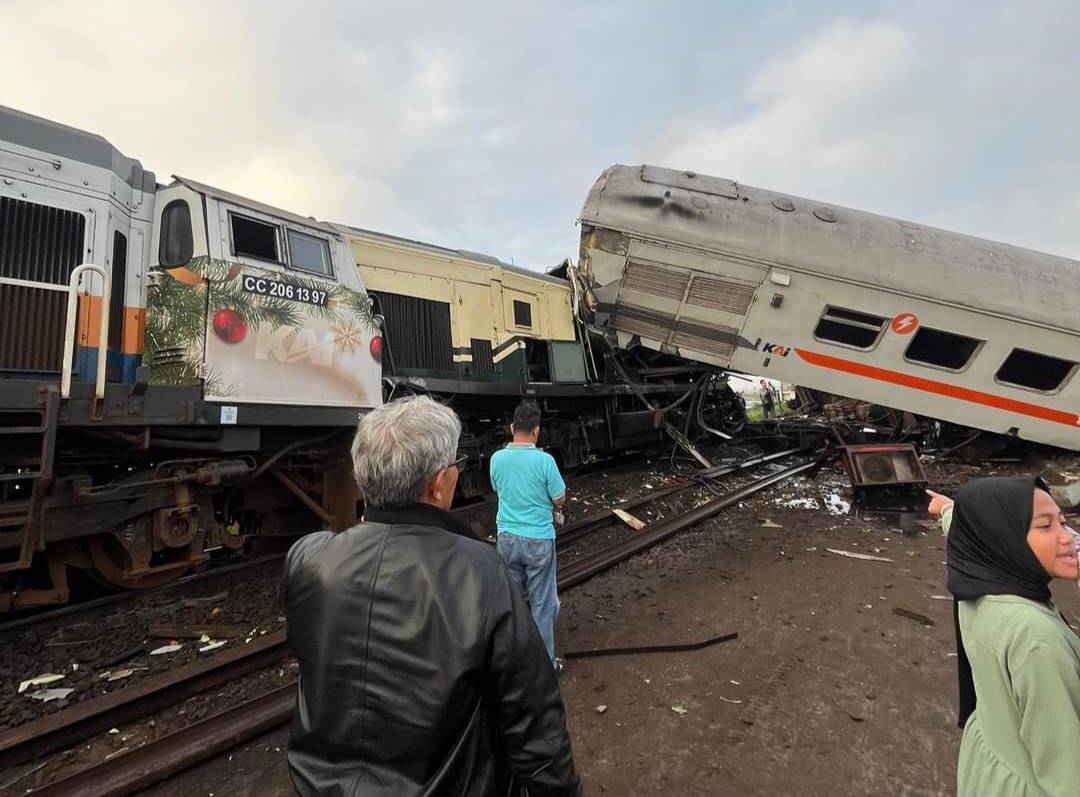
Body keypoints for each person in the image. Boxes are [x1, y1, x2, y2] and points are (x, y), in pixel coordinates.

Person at [282, 395, 582, 797]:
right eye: (457, 466)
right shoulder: (481, 574)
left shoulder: (308, 559)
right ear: (438, 484)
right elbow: (533, 726)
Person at [928, 479, 1080, 797]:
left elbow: (967, 527)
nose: (1068, 538)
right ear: (1006, 538)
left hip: (988, 767)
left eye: (1064, 523)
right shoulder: (1038, 641)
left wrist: (946, 509)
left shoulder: (976, 579)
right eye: (1045, 526)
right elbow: (1069, 776)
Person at [491, 402, 567, 673]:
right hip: (538, 540)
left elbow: (497, 488)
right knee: (543, 604)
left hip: (507, 540)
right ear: (536, 431)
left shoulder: (496, 459)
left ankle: (513, 663)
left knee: (512, 602)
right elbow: (559, 497)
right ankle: (545, 666)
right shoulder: (545, 461)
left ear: (512, 428)